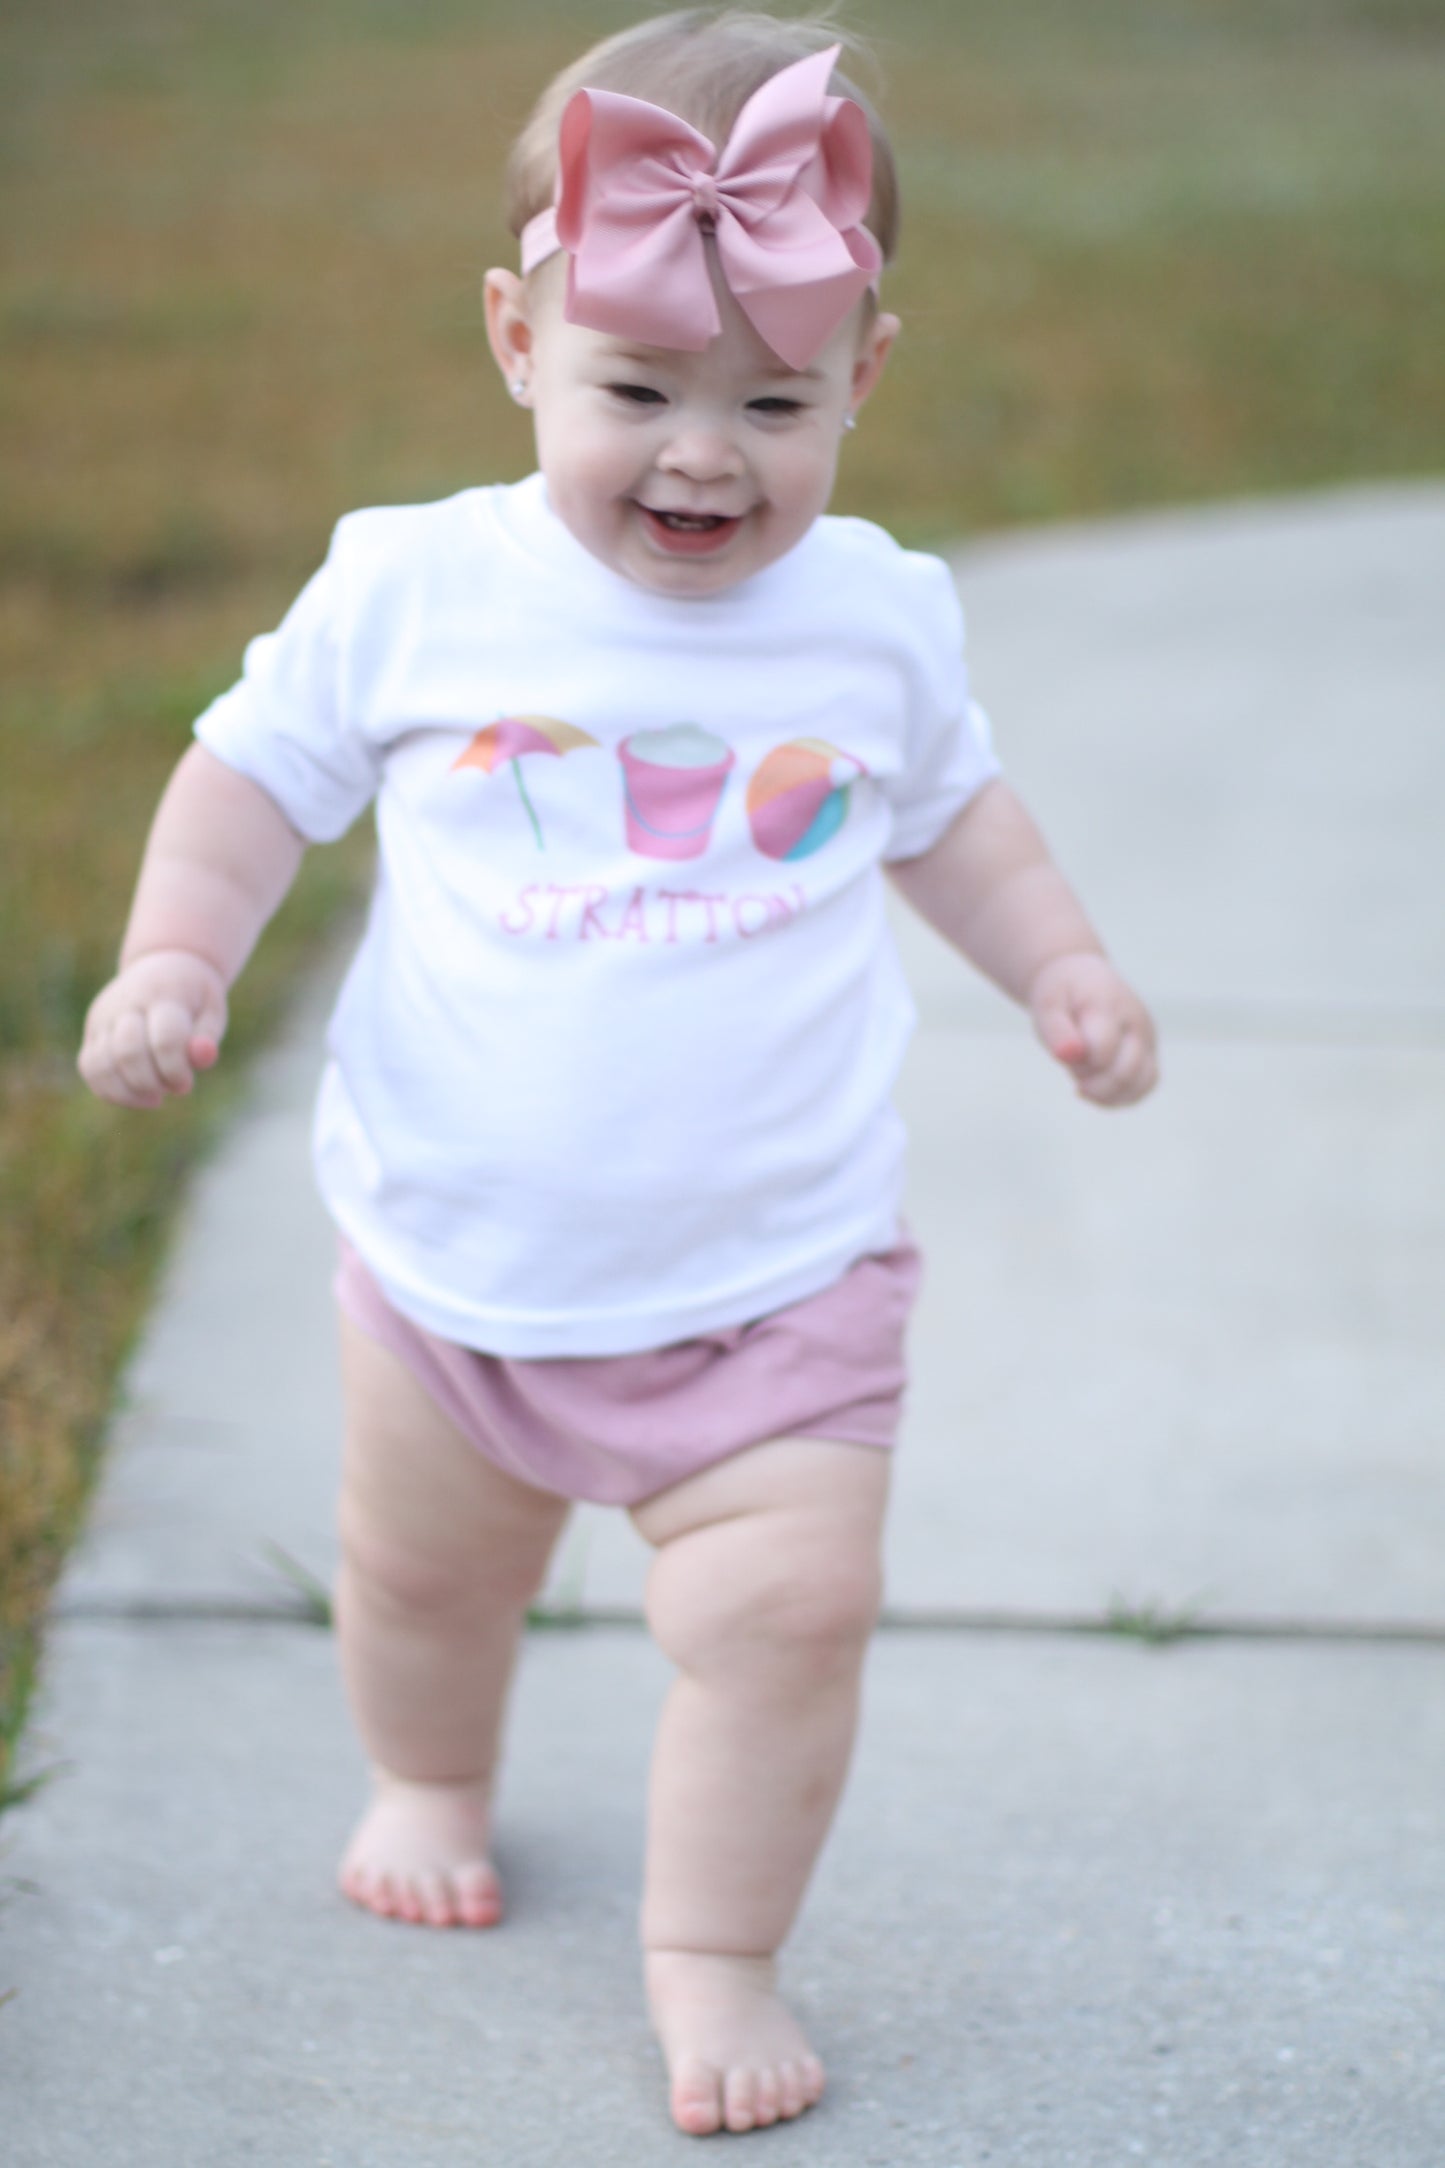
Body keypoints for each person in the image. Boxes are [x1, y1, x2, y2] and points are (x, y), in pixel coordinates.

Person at [77, 6, 1157, 2139]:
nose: (702, 454)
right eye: (636, 388)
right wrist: (175, 957)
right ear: (511, 340)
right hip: (458, 1269)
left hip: (781, 1283)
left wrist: (1064, 965)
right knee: (419, 1580)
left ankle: (715, 1946)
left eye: (773, 399)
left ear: (869, 372)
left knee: (790, 1613)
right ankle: (431, 1769)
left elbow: (958, 821)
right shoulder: (412, 587)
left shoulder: (874, 618)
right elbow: (245, 786)